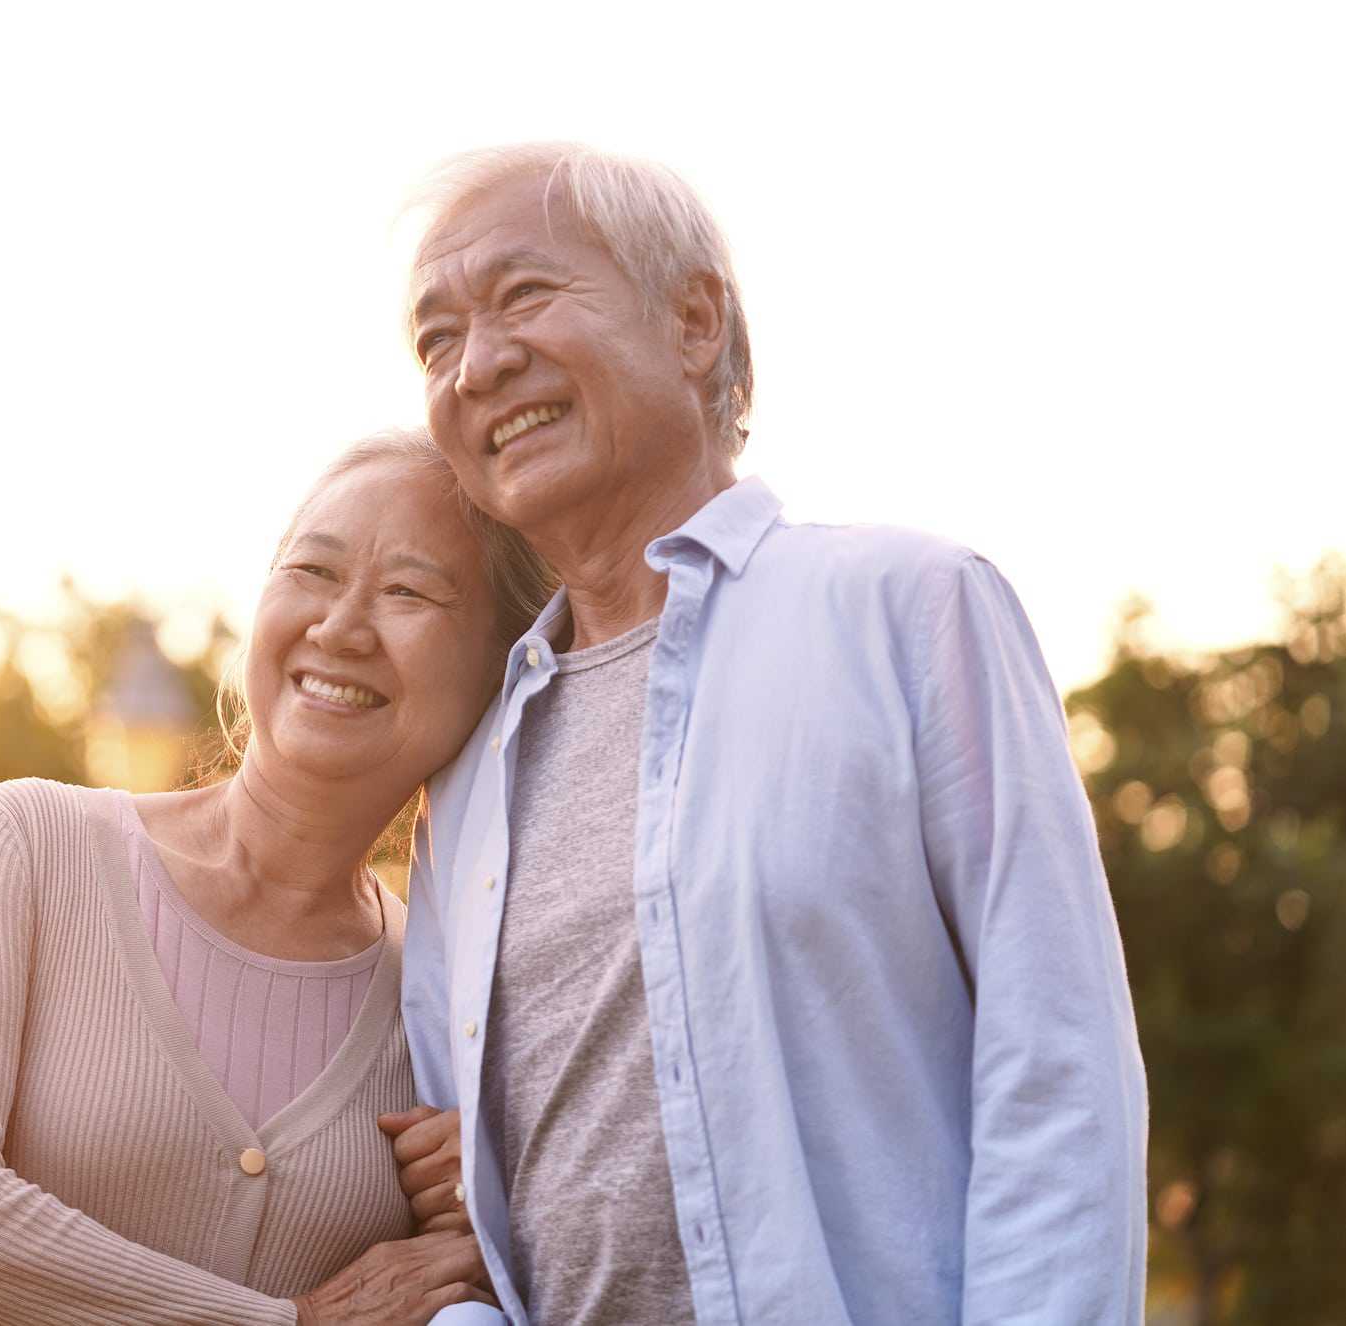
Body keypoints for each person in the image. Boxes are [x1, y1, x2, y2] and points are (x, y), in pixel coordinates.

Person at [392, 144, 1150, 1325]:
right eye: (437, 340)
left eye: (525, 296)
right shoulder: (468, 773)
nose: (477, 364)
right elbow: (468, 1208)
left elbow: (1058, 1080)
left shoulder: (914, 608)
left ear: (694, 321)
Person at [0, 430, 555, 1325]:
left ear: (500, 669)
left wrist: (492, 1219)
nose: (338, 627)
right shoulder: (26, 845)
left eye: (407, 591)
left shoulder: (448, 1006)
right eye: (312, 572)